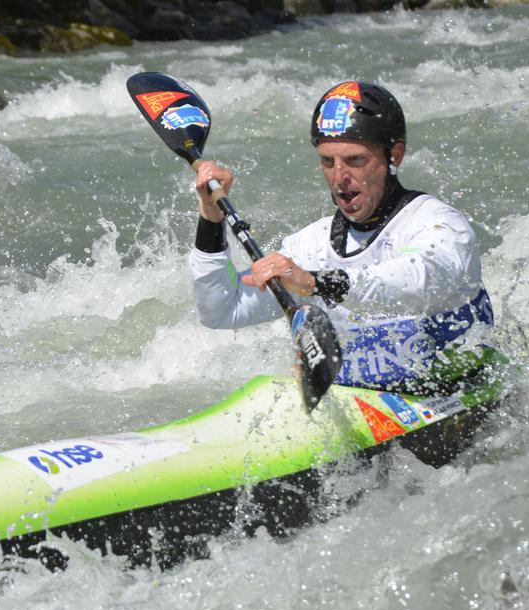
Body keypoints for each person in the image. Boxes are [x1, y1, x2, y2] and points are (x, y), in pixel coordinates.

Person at [188, 80, 493, 395]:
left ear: (395, 156)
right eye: (327, 161)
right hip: (365, 405)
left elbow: (420, 281)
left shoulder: (438, 224)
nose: (339, 177)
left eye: (355, 160)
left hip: (459, 394)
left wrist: (317, 283)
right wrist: (210, 216)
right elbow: (223, 311)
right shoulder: (311, 245)